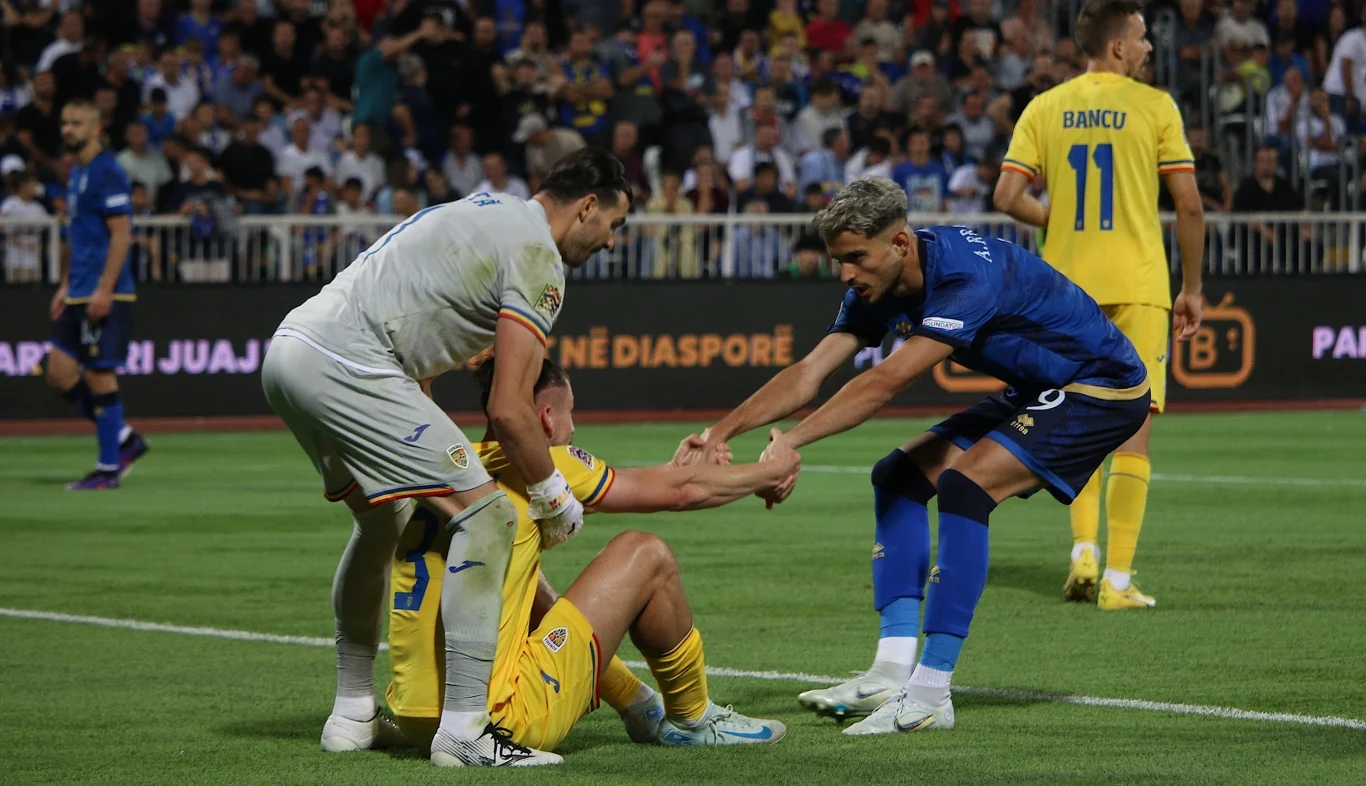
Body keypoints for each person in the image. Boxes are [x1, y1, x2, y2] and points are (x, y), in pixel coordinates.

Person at [679, 177, 1186, 734]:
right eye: (838, 261)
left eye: (855, 258)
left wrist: (790, 444)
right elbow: (808, 373)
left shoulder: (964, 277)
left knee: (966, 486)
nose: (845, 274)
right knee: (898, 477)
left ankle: (929, 696)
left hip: (1101, 386)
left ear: (899, 243)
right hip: (1038, 386)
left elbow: (884, 383)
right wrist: (718, 434)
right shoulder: (879, 284)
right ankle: (890, 672)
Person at [260, 148, 632, 768]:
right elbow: (510, 410)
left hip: (290, 354)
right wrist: (554, 495)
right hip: (351, 364)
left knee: (382, 522)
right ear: (588, 207)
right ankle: (465, 731)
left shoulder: (485, 210)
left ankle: (352, 714)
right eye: (613, 225)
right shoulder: (538, 255)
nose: (611, 242)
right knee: (489, 517)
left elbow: (416, 358)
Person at [388, 357, 794, 756]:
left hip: (417, 718)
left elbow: (662, 482)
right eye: (571, 412)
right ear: (547, 417)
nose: (573, 428)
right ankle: (694, 718)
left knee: (532, 590)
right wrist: (770, 472)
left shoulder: (459, 465)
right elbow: (681, 491)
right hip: (493, 722)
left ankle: (639, 704)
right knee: (646, 555)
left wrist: (680, 469)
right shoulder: (546, 465)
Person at [993, 0, 1206, 610]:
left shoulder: (1044, 106)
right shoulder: (1155, 106)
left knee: (1077, 422)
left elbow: (1007, 194)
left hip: (1066, 292)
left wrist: (1056, 219)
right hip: (1138, 284)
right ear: (1117, 47)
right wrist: (1191, 288)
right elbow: (1189, 206)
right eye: (1141, 38)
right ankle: (1117, 581)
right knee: (1132, 428)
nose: (1148, 48)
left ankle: (1082, 549)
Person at [43, 99, 150, 490]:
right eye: (65, 122)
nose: (67, 129)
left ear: (96, 128)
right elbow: (79, 235)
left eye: (76, 123)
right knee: (58, 372)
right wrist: (65, 284)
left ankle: (108, 469)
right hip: (79, 290)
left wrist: (105, 290)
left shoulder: (107, 171)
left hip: (106, 292)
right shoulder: (77, 172)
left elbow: (121, 235)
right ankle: (123, 437)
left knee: (99, 374)